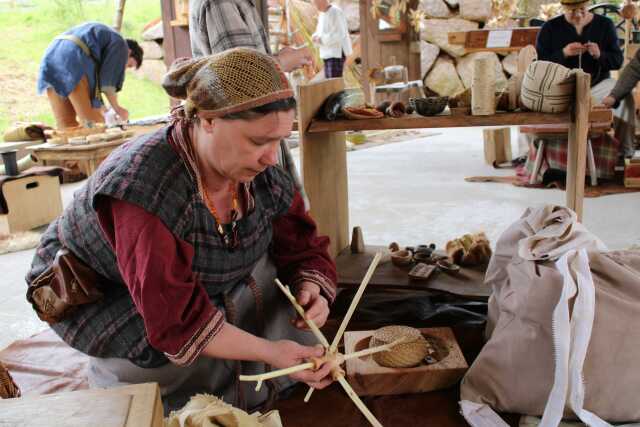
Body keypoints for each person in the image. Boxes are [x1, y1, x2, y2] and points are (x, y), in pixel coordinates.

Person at [26, 48, 337, 410]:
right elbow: (174, 318)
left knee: (274, 285)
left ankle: (240, 366)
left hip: (182, 283)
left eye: (279, 140)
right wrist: (270, 351)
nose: (271, 157)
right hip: (116, 297)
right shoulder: (143, 189)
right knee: (167, 374)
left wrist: (310, 285)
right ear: (207, 120)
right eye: (257, 141)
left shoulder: (258, 171)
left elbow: (300, 241)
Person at [189, 0, 311, 206]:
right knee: (262, 214)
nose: (271, 158)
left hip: (250, 133)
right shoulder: (221, 3)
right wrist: (282, 62)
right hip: (244, 134)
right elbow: (242, 78)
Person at [536, 0, 635, 157]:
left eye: (582, 9)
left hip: (598, 86)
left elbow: (617, 61)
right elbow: (539, 66)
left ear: (588, 5)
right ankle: (543, 153)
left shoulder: (605, 25)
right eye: (572, 11)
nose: (578, 15)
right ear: (564, 8)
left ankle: (625, 152)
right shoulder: (550, 28)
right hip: (561, 91)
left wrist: (599, 55)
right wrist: (563, 53)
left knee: (623, 97)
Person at [37, 22, 143, 129]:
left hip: (51, 57)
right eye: (129, 65)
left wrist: (104, 109)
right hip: (73, 60)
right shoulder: (121, 45)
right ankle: (93, 132)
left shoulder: (103, 42)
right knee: (94, 125)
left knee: (67, 124)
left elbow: (93, 91)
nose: (124, 69)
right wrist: (118, 108)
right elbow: (108, 85)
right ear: (129, 52)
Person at [189, 0, 311, 72]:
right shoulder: (221, 3)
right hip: (239, 114)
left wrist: (279, 57)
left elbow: (245, 62)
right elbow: (242, 72)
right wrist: (282, 62)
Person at [311, 0, 352, 78]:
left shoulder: (336, 12)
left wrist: (321, 39)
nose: (314, 5)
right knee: (330, 83)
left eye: (315, 2)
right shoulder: (322, 14)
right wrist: (315, 37)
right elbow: (319, 32)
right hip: (327, 53)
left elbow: (340, 34)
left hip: (336, 53)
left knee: (334, 83)